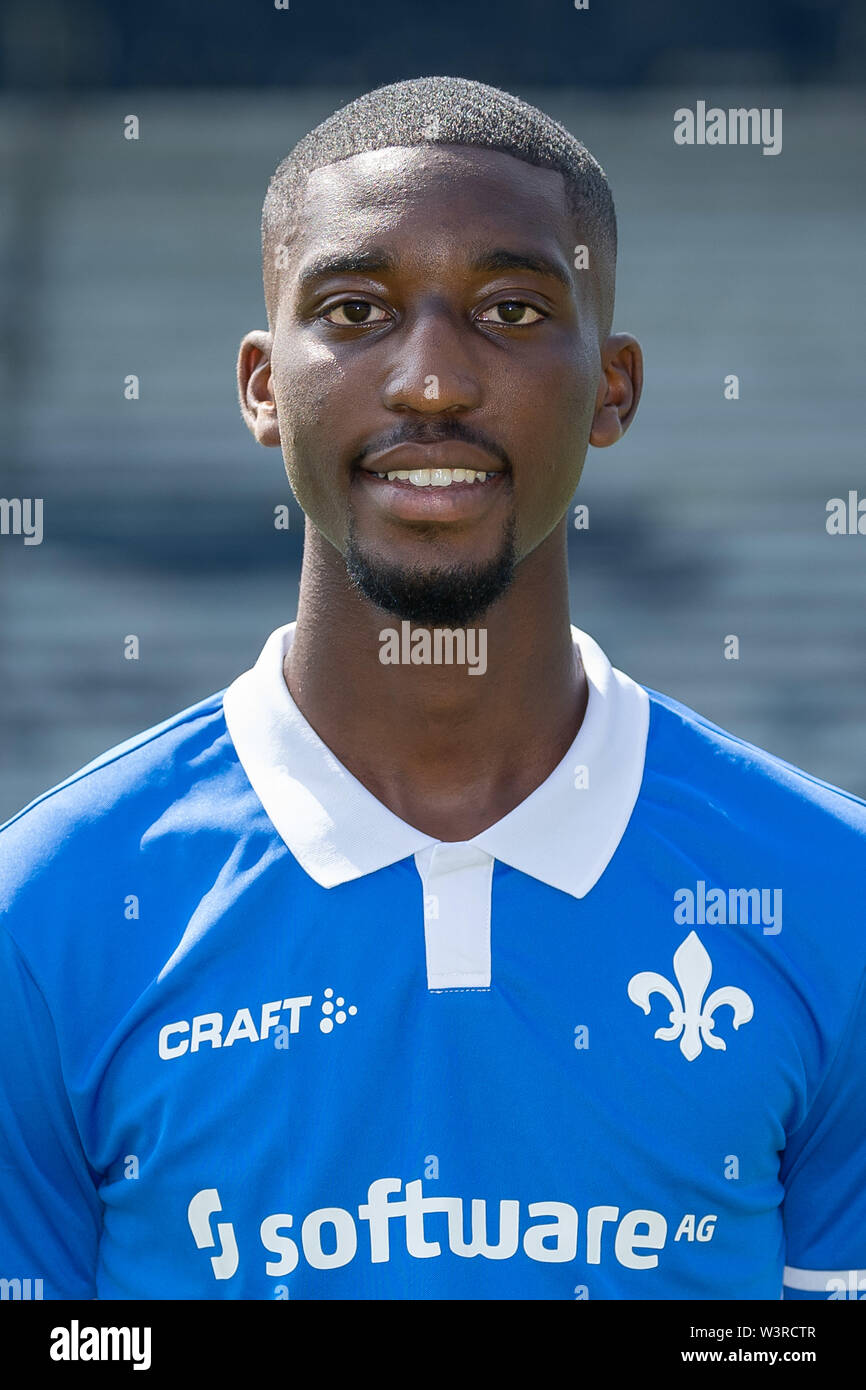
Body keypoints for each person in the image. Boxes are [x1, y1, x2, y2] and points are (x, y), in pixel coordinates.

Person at [0, 75, 863, 1302]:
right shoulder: (49, 914)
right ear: (261, 386)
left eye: (509, 310)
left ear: (611, 387)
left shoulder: (829, 896)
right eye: (355, 309)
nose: (431, 383)